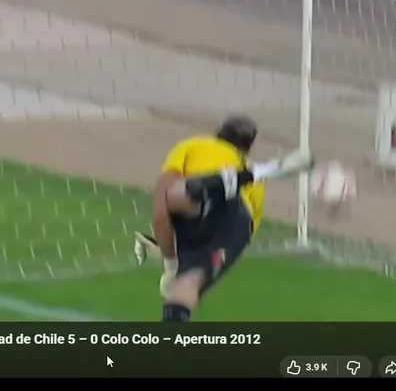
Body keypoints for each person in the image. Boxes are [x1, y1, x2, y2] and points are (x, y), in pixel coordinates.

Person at [132, 115, 314, 322]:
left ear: (218, 132)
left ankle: (243, 177)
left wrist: (171, 262)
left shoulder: (192, 146)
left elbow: (161, 205)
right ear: (248, 147)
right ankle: (253, 174)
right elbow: (244, 232)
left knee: (180, 192)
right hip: (231, 222)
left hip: (203, 201)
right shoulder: (246, 166)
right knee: (188, 283)